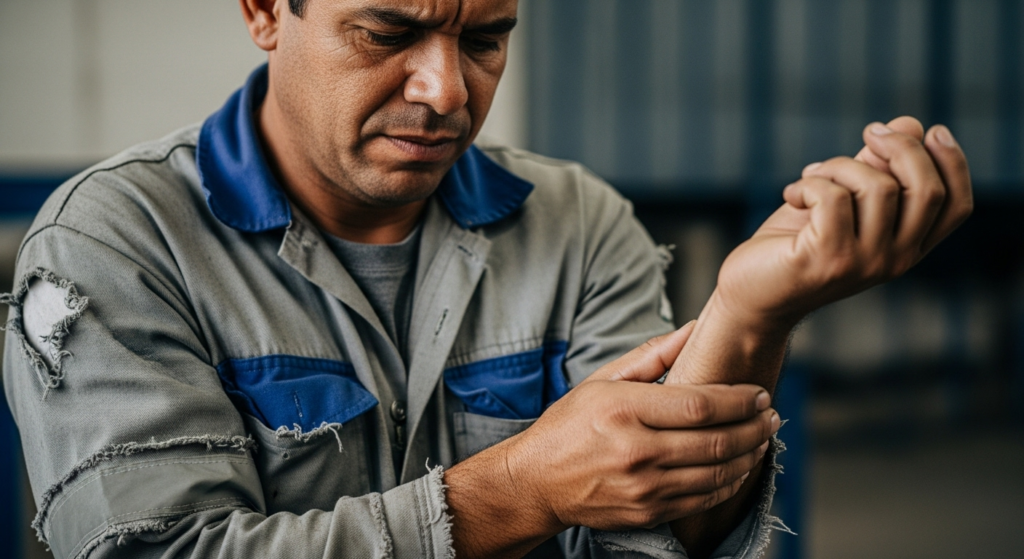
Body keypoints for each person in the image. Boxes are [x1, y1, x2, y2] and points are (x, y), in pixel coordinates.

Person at [1, 1, 971, 558]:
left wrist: (752, 312)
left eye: (484, 38)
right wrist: (521, 486)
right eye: (386, 33)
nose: (447, 91)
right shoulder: (117, 243)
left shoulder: (579, 224)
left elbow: (651, 544)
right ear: (263, 9)